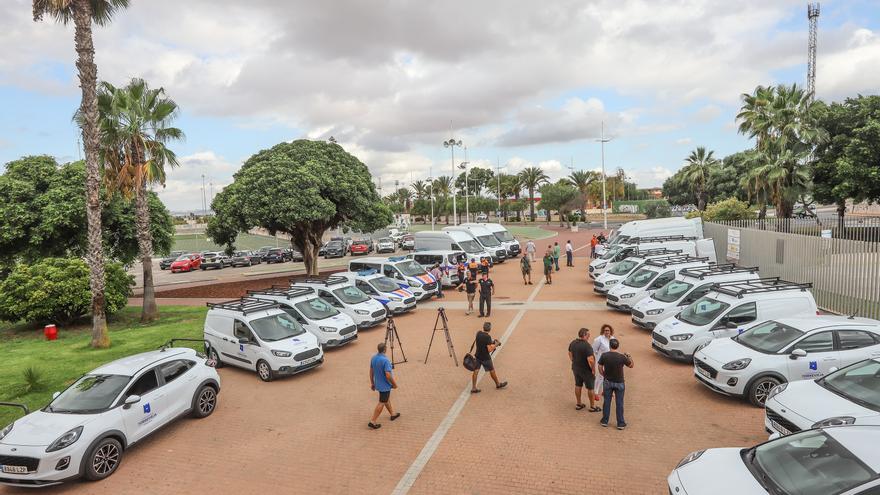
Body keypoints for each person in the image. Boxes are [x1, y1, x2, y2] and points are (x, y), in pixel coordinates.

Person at [598, 338, 634, 430]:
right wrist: (629, 356)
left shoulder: (604, 355)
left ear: (610, 345)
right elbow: (631, 365)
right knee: (619, 403)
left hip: (607, 381)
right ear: (617, 346)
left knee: (607, 402)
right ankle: (620, 423)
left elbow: (600, 366)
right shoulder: (622, 357)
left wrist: (603, 374)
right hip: (619, 382)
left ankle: (605, 421)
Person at [369, 342, 399, 429]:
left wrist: (372, 383)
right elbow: (388, 375)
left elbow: (371, 371)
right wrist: (394, 384)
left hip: (378, 384)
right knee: (382, 401)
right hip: (385, 385)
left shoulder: (373, 358)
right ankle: (373, 421)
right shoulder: (385, 360)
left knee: (386, 399)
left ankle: (392, 414)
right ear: (385, 350)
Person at [470, 322, 507, 393]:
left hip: (478, 355)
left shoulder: (478, 333)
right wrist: (496, 344)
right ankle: (498, 384)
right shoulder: (487, 337)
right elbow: (489, 349)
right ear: (490, 329)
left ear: (483, 327)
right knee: (492, 370)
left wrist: (491, 342)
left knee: (476, 371)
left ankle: (474, 388)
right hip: (485, 357)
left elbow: (483, 342)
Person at [569, 328, 599, 412]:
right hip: (586, 370)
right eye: (588, 335)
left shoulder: (573, 343)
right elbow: (591, 360)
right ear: (584, 335)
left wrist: (573, 361)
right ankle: (592, 406)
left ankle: (579, 404)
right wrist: (593, 369)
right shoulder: (587, 346)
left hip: (576, 368)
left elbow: (570, 353)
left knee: (578, 385)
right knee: (590, 388)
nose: (589, 336)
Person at [592, 324, 614, 402]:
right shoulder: (598, 339)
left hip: (610, 361)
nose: (607, 332)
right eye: (605, 330)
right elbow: (593, 350)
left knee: (608, 377)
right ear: (603, 331)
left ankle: (605, 391)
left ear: (611, 331)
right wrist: (598, 356)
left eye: (608, 330)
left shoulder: (613, 339)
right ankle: (595, 392)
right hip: (601, 361)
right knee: (600, 376)